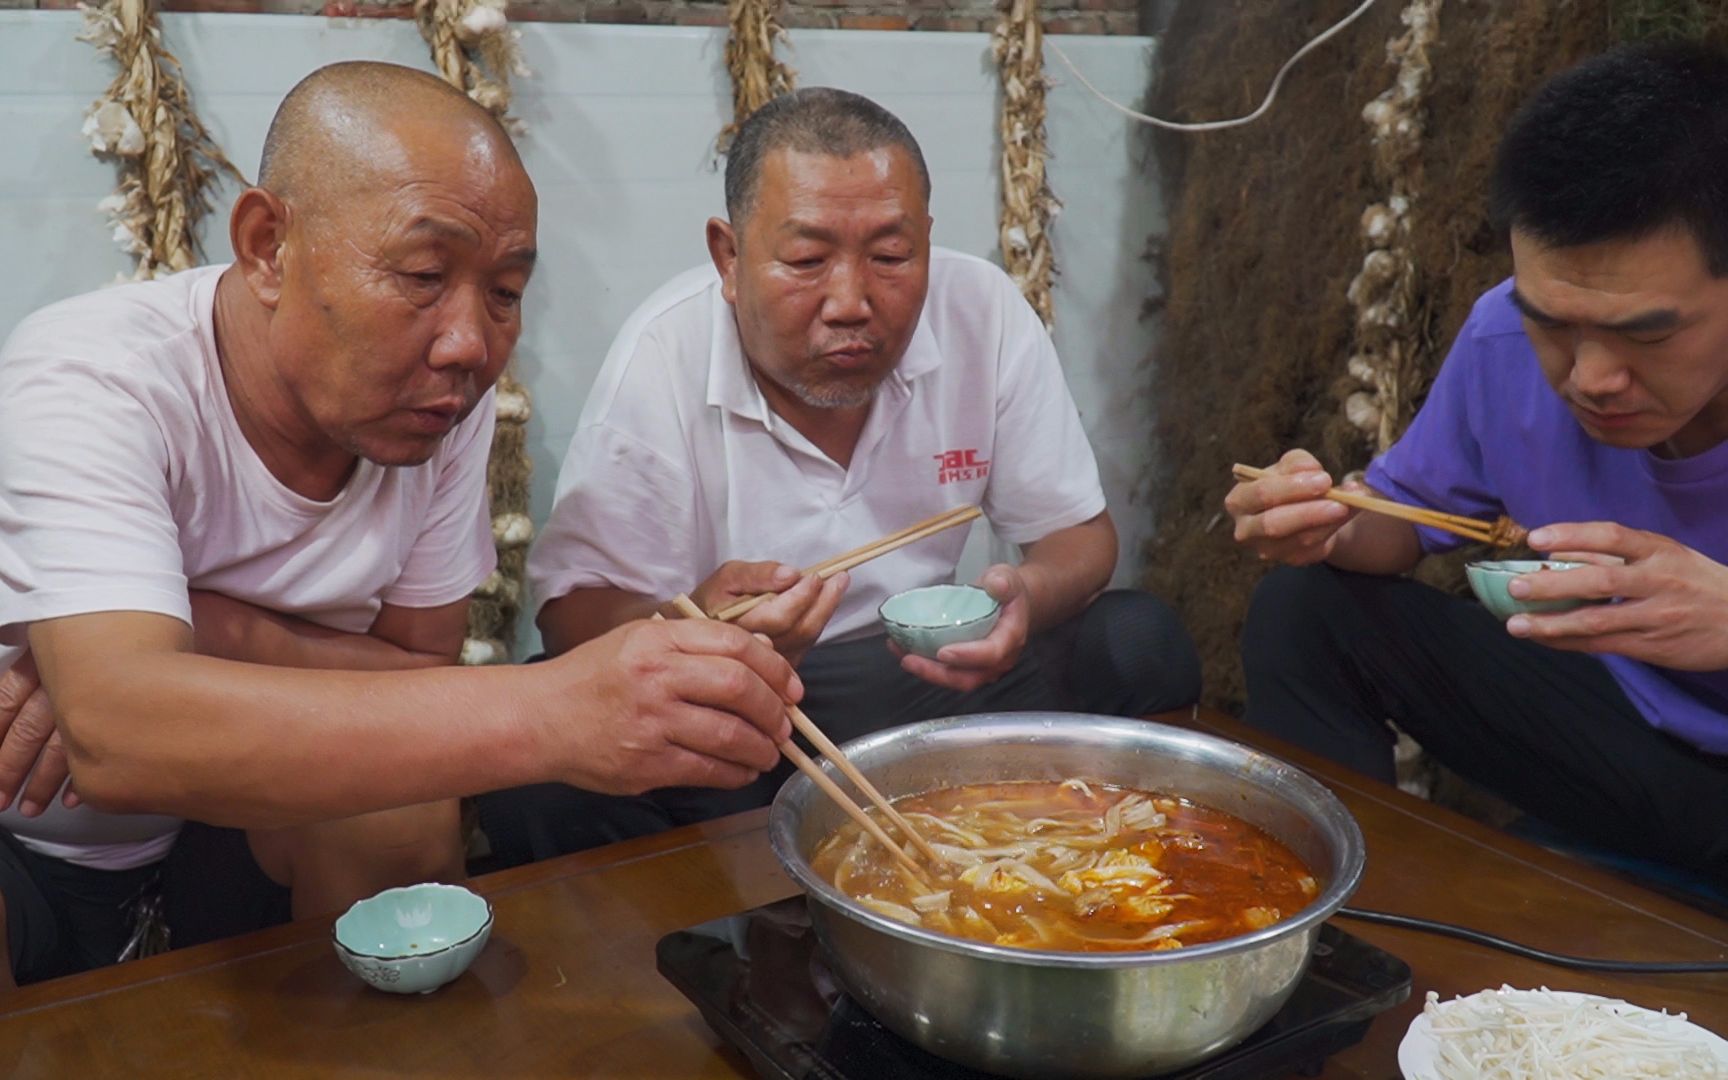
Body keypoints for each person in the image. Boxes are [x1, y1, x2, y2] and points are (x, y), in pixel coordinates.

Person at [0, 61, 801, 988]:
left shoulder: (433, 401)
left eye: (504, 292)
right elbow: (120, 740)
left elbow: (418, 676)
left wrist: (203, 635)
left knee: (401, 811)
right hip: (27, 842)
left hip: (226, 833)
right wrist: (560, 708)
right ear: (267, 245)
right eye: (422, 274)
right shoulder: (95, 379)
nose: (468, 343)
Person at [485, 87, 1200, 863]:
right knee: (544, 777)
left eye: (892, 256)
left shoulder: (981, 311)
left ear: (926, 242)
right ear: (730, 257)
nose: (852, 301)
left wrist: (1024, 598)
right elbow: (571, 617)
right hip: (753, 700)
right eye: (806, 260)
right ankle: (735, 944)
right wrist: (695, 628)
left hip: (926, 678)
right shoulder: (665, 353)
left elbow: (1078, 538)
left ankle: (1119, 872)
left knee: (1137, 639)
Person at [1227, 43, 1728, 887]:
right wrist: (1326, 522)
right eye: (1554, 322)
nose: (1591, 377)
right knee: (1306, 608)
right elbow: (1403, 515)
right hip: (1631, 751)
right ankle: (1331, 933)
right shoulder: (1503, 338)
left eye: (1647, 334)